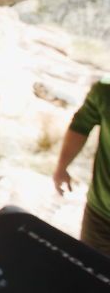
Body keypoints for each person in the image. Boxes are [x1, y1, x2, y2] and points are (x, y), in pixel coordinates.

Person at [53, 77, 110, 256]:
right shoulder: (105, 90)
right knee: (85, 276)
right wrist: (62, 167)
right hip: (99, 217)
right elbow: (81, 125)